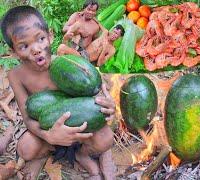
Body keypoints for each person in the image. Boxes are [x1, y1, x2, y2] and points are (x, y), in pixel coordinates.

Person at [1, 5, 116, 179]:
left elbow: (92, 97)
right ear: (13, 53)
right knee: (25, 149)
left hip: (78, 126)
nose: (35, 49)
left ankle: (81, 153)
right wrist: (49, 136)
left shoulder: (66, 64)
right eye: (24, 46)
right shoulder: (16, 76)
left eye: (40, 39)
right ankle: (54, 148)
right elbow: (27, 117)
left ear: (50, 36)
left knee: (106, 139)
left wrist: (107, 105)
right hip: (48, 129)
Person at [57, 0, 124, 66]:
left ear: (119, 37)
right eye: (114, 32)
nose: (114, 35)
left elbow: (99, 63)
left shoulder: (112, 49)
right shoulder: (105, 33)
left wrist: (104, 48)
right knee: (77, 26)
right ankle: (66, 42)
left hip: (85, 58)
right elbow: (99, 24)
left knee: (62, 47)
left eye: (117, 34)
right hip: (77, 48)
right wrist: (82, 28)